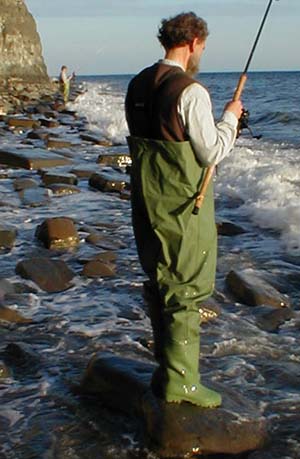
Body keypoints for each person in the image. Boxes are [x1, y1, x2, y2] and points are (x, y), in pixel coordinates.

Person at [125, 12, 243, 408]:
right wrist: (230, 119)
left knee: (159, 280)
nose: (201, 56)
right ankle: (184, 383)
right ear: (192, 41)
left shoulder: (136, 84)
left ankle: (167, 370)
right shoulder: (190, 91)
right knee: (185, 286)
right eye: (203, 48)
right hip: (181, 204)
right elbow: (210, 152)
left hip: (146, 202)